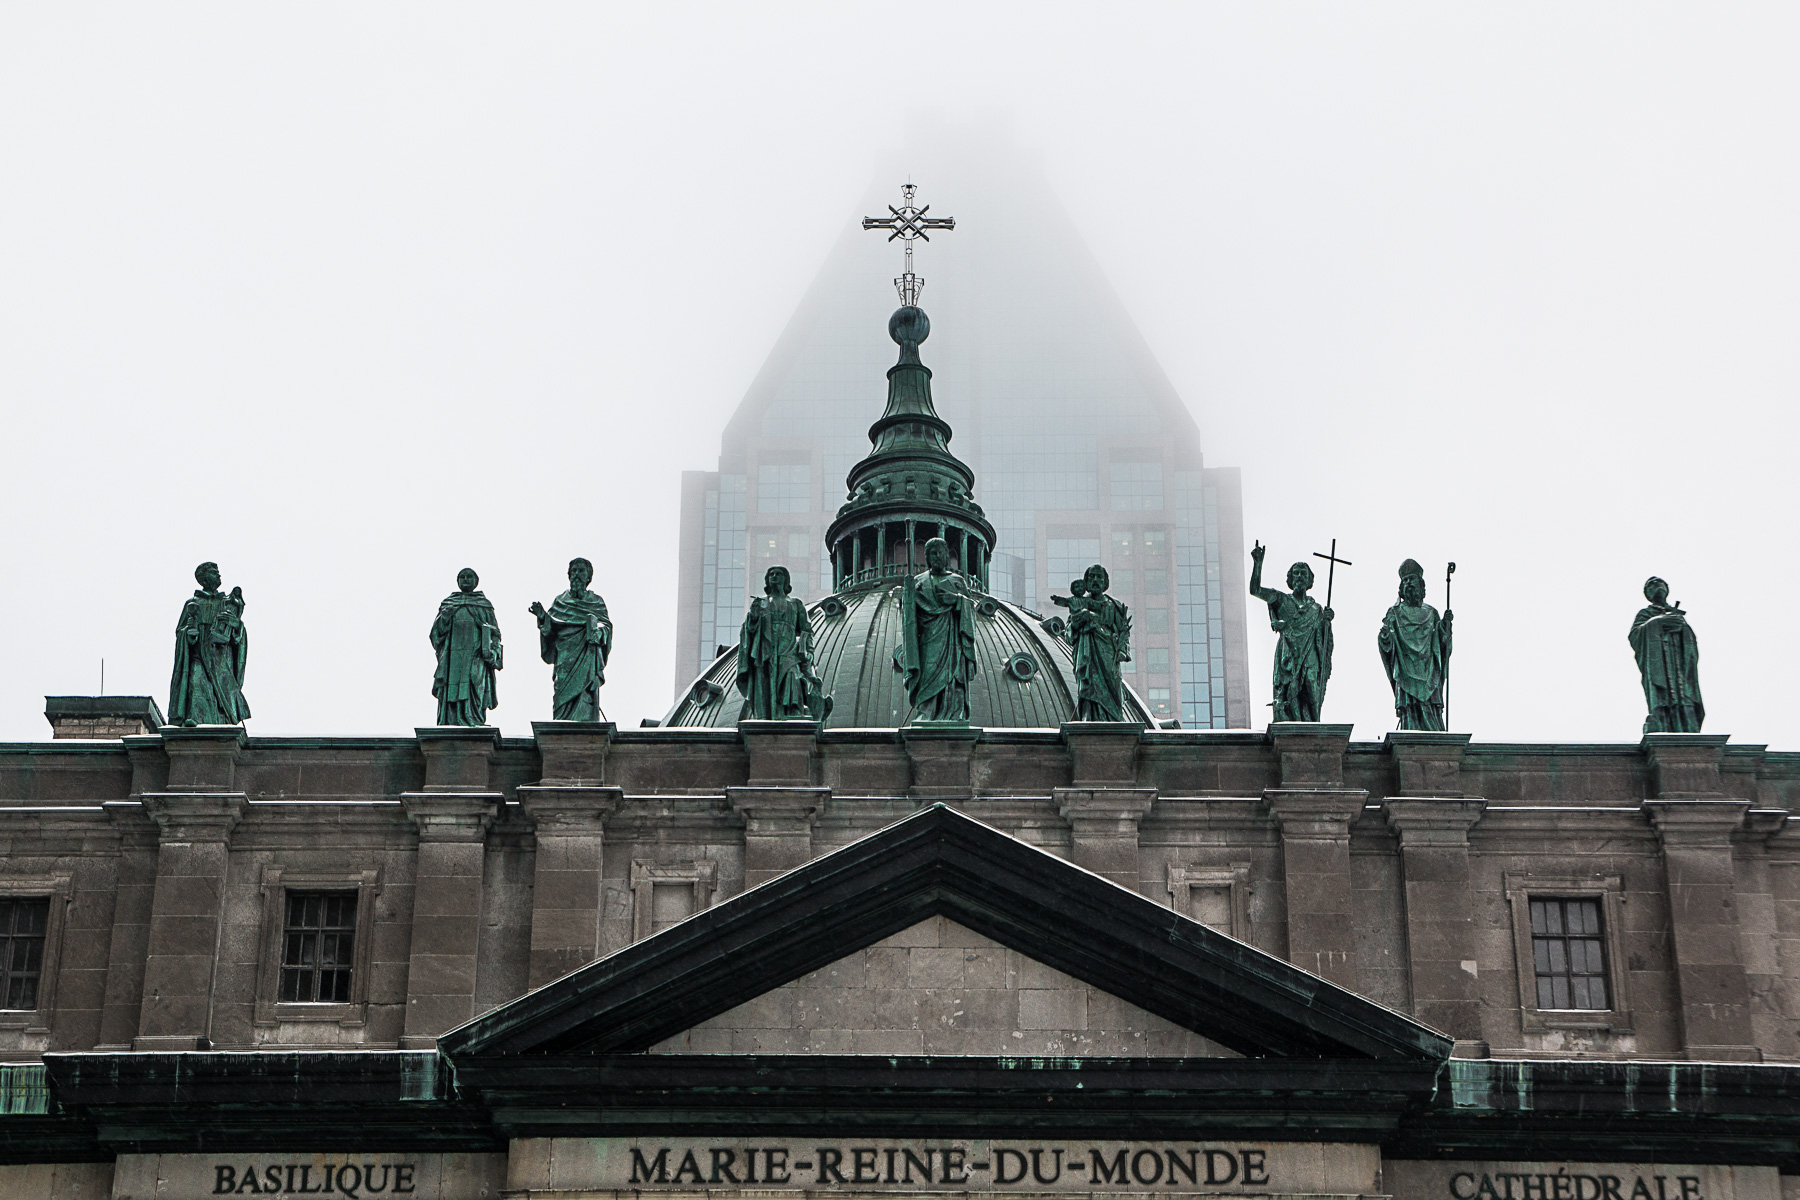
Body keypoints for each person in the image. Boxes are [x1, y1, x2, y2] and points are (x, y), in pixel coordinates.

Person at [1249, 541, 1334, 722]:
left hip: (1310, 652)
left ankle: (1315, 722)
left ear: (1310, 579)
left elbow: (1323, 638)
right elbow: (1255, 590)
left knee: (1312, 684)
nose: (1299, 576)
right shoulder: (1281, 599)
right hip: (1289, 653)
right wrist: (1258, 564)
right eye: (1296, 573)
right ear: (1290, 579)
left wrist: (1327, 621)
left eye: (1303, 573)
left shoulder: (1316, 608)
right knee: (1292, 690)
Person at [901, 538, 978, 722]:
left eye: (940, 552)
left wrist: (958, 600)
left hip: (953, 641)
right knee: (928, 676)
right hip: (929, 640)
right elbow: (910, 619)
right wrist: (909, 596)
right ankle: (927, 712)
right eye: (932, 553)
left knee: (953, 678)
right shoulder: (918, 582)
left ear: (947, 556)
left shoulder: (957, 582)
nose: (937, 556)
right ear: (926, 557)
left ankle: (954, 713)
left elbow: (971, 611)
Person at [169, 561, 251, 727]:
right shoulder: (193, 603)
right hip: (199, 654)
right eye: (214, 572)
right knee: (197, 683)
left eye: (218, 571)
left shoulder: (227, 603)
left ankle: (222, 722)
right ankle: (196, 720)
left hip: (221, 659)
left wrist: (236, 626)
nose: (218, 575)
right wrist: (189, 634)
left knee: (221, 693)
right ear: (204, 579)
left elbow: (238, 635)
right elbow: (181, 632)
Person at [530, 557, 612, 721]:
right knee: (561, 699)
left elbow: (606, 626)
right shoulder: (560, 601)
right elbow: (550, 629)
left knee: (585, 696)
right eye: (573, 571)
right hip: (565, 657)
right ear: (568, 575)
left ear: (588, 577)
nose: (576, 574)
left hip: (586, 655)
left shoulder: (596, 602)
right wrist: (542, 618)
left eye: (581, 571)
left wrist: (599, 633)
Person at [736, 566, 820, 721]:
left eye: (779, 574)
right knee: (765, 684)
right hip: (766, 651)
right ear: (767, 580)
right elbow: (750, 629)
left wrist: (807, 652)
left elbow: (806, 630)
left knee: (792, 676)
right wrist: (753, 617)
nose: (774, 576)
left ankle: (792, 711)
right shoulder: (761, 603)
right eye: (771, 574)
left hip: (789, 650)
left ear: (786, 580)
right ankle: (767, 716)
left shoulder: (796, 604)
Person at [1378, 559, 1452, 731]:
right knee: (1410, 710)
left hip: (1428, 668)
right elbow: (1386, 642)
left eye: (1412, 579)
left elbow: (1442, 643)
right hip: (1406, 667)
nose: (1408, 583)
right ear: (1401, 588)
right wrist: (1385, 637)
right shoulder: (1395, 612)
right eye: (1405, 580)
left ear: (1421, 585)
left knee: (1430, 705)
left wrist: (1445, 628)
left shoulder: (1432, 613)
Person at [1630, 576, 1704, 734]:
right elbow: (1635, 635)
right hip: (1661, 665)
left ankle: (1687, 726)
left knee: (1685, 696)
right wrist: (1659, 622)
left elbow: (1691, 641)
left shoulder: (1677, 615)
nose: (1657, 585)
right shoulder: (1645, 614)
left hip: (1679, 664)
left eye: (1660, 583)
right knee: (1662, 697)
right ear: (1647, 593)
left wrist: (1681, 628)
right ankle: (1663, 724)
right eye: (1651, 584)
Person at [430, 568, 503, 727]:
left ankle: (474, 718)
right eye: (462, 577)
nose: (466, 579)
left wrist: (492, 651)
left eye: (469, 576)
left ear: (476, 581)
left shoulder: (484, 605)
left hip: (476, 654)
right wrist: (445, 617)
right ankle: (451, 719)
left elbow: (495, 633)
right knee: (451, 687)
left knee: (475, 683)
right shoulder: (449, 603)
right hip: (452, 657)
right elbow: (436, 634)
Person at [1067, 564, 1132, 722]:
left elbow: (1124, 630)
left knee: (1113, 685)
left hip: (1108, 653)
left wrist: (1122, 651)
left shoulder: (1115, 606)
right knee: (1089, 686)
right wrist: (1078, 621)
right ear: (1086, 581)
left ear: (1105, 582)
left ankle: (1113, 719)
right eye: (1092, 577)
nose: (1095, 580)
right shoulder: (1079, 603)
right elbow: (1069, 633)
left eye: (1099, 577)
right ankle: (1090, 717)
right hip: (1087, 651)